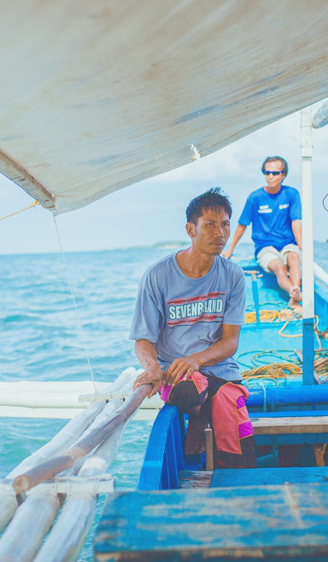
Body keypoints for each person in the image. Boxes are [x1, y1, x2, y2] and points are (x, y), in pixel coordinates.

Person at [130, 187, 256, 468]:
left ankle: (235, 477)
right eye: (210, 225)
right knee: (188, 391)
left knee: (229, 405)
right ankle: (197, 415)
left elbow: (230, 343)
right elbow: (143, 339)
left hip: (219, 370)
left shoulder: (232, 274)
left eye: (225, 224)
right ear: (191, 229)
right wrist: (152, 367)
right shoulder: (158, 275)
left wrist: (195, 360)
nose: (220, 233)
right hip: (179, 373)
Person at [223, 156, 303, 307]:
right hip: (265, 247)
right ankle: (295, 293)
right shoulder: (255, 198)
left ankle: (294, 297)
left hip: (288, 243)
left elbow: (295, 221)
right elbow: (242, 224)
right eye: (267, 173)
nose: (270, 177)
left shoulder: (292, 194)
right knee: (279, 267)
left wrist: (300, 245)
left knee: (293, 258)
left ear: (283, 175)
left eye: (274, 173)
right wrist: (230, 248)